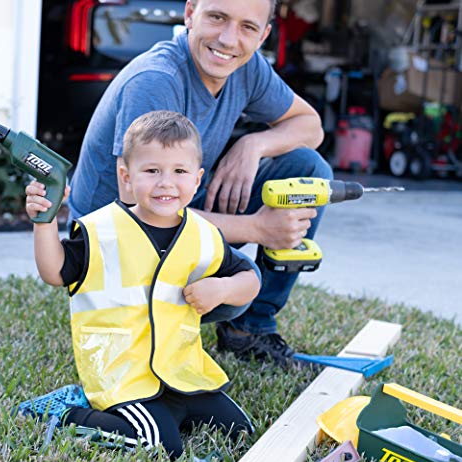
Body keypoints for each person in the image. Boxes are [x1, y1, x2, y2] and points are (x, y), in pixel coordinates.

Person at [67, 0, 333, 366]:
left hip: (170, 207)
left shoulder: (247, 67)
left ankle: (251, 329)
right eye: (217, 17)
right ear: (191, 13)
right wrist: (257, 228)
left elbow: (311, 126)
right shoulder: (157, 81)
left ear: (263, 35)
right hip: (114, 243)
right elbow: (138, 211)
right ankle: (147, 318)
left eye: (247, 27)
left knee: (307, 168)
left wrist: (253, 144)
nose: (228, 39)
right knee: (235, 285)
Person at [19, 111, 260, 459]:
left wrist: (222, 290)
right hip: (123, 377)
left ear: (197, 180)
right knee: (160, 447)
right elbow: (54, 272)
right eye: (152, 171)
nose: (166, 182)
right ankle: (66, 413)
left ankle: (167, 415)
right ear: (126, 177)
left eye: (179, 171)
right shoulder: (102, 231)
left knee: (241, 431)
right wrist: (43, 223)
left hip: (181, 374)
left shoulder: (204, 234)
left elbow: (250, 279)